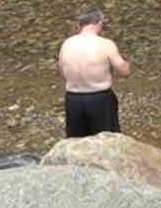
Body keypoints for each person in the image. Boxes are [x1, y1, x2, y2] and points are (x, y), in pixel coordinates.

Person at [57, 8, 132, 138]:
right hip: (100, 99)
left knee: (77, 143)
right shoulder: (106, 44)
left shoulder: (67, 44)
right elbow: (124, 72)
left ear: (80, 25)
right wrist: (126, 63)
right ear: (99, 23)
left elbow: (62, 72)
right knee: (107, 141)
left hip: (73, 99)